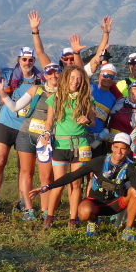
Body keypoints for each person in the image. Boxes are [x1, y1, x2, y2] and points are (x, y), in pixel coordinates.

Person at [31, 133, 136, 241]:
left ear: (128, 151)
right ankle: (93, 221)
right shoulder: (99, 161)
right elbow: (73, 175)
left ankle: (128, 230)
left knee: (135, 192)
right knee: (84, 213)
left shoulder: (130, 168)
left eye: (123, 149)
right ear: (112, 147)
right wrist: (48, 186)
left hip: (115, 204)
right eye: (116, 147)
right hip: (95, 203)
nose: (119, 151)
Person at [0, 62, 59, 223]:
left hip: (47, 139)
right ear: (45, 76)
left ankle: (45, 211)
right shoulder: (36, 89)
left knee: (46, 176)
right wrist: (2, 93)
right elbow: (15, 107)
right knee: (26, 172)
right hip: (27, 134)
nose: (54, 76)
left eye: (57, 73)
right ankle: (28, 209)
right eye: (50, 73)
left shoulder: (65, 94)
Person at [0, 38, 45, 213]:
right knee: (0, 159)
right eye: (24, 59)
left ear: (34, 61)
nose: (27, 62)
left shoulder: (40, 80)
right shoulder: (8, 74)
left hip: (26, 126)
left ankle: (22, 200)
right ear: (19, 59)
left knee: (23, 167)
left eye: (30, 60)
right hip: (7, 122)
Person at [45, 65, 97, 229]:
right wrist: (45, 134)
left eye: (79, 78)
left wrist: (87, 120)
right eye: (72, 78)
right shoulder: (56, 98)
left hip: (80, 145)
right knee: (59, 183)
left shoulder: (86, 99)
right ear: (66, 78)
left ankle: (73, 218)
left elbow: (93, 122)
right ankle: (49, 216)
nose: (75, 81)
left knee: (76, 183)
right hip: (60, 144)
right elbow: (49, 121)